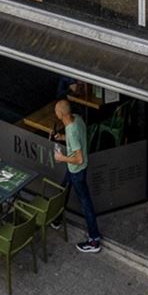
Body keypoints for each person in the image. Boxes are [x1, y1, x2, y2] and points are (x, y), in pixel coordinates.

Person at [53, 97, 103, 253]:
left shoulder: (71, 130)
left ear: (61, 114)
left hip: (77, 170)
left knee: (85, 203)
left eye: (56, 111)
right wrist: (62, 138)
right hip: (76, 168)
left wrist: (62, 158)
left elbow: (78, 158)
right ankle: (56, 218)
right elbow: (78, 141)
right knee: (63, 188)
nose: (55, 114)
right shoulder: (77, 119)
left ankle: (94, 240)